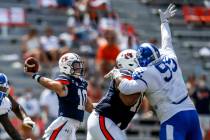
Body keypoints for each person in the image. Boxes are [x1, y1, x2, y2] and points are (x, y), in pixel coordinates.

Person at [106, 4, 202, 140]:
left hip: (173, 118)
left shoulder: (146, 72)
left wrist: (117, 75)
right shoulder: (170, 56)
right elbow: (167, 40)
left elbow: (126, 88)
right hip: (191, 113)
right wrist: (164, 22)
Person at [24, 53, 93, 140]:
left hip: (70, 125)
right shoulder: (69, 81)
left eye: (79, 65)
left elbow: (89, 106)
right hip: (66, 124)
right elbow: (53, 85)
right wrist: (35, 76)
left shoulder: (80, 83)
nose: (79, 67)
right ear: (65, 66)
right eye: (76, 65)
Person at [87, 49, 143, 140]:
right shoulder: (125, 74)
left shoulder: (127, 76)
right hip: (103, 121)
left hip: (105, 121)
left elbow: (115, 102)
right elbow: (128, 100)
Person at [0, 73, 35, 140]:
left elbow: (16, 108)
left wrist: (25, 118)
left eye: (0, 88)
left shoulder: (4, 102)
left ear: (6, 89)